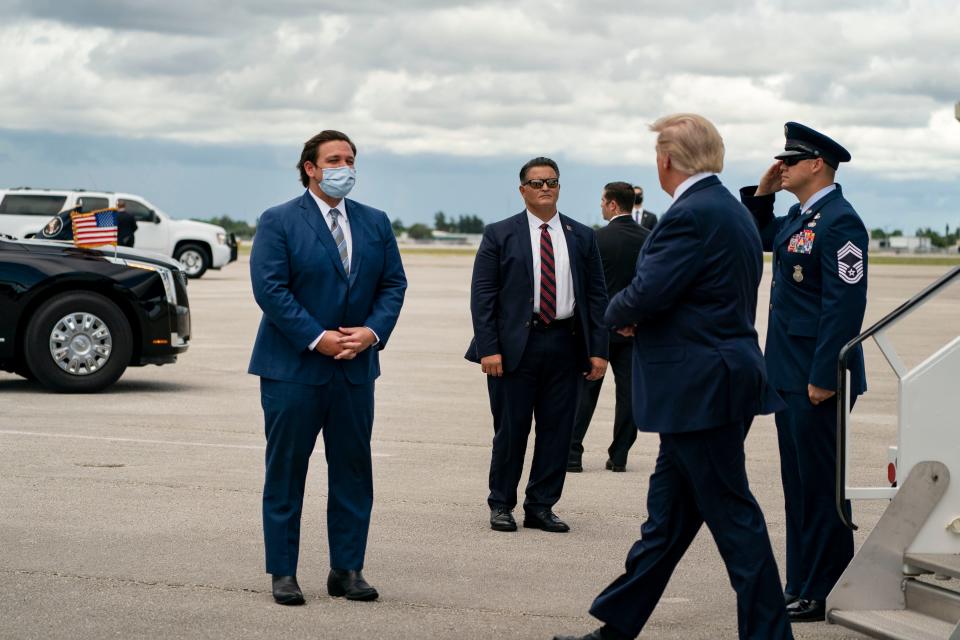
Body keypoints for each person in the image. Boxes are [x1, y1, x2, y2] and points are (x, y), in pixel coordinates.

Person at [554, 114, 793, 640]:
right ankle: (615, 630)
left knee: (735, 521)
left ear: (665, 160)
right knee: (666, 524)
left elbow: (647, 291)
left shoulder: (690, 214)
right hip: (712, 383)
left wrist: (615, 312)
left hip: (700, 389)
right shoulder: (727, 208)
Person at [248, 130, 407, 606]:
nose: (345, 167)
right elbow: (270, 288)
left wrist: (371, 333)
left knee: (354, 473)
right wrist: (318, 338)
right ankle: (284, 572)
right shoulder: (278, 221)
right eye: (334, 159)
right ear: (310, 168)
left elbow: (393, 284)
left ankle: (347, 569)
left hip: (355, 369)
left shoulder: (375, 222)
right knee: (286, 472)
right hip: (293, 369)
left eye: (351, 159)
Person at [739, 122, 868, 622]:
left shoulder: (840, 221)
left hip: (817, 378)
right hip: (789, 374)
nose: (782, 167)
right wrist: (762, 194)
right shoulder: (801, 216)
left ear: (817, 164)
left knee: (820, 485)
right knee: (798, 484)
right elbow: (757, 236)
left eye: (790, 161)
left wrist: (826, 375)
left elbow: (843, 305)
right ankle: (801, 582)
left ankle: (825, 587)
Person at [466, 156, 609, 534]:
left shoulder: (582, 235)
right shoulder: (500, 234)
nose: (545, 187)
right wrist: (488, 348)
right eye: (537, 182)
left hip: (566, 344)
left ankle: (541, 506)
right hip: (515, 349)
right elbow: (483, 296)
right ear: (522, 190)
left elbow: (596, 297)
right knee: (511, 430)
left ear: (559, 187)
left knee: (557, 431)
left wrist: (599, 349)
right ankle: (501, 504)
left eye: (551, 181)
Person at [567, 182, 650, 473]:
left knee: (585, 393)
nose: (601, 205)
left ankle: (572, 453)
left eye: (603, 201)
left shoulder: (595, 239)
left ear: (613, 204)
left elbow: (580, 286)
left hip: (598, 330)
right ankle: (620, 455)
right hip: (634, 329)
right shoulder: (650, 239)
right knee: (629, 394)